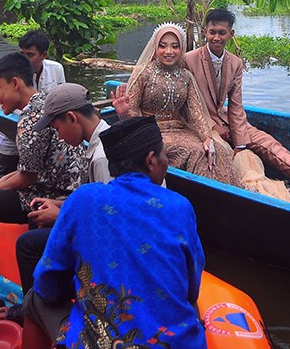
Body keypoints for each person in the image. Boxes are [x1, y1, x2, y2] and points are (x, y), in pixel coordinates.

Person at [22, 116, 207, 349]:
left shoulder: (83, 199)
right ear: (151, 161)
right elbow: (191, 289)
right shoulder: (180, 207)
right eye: (164, 156)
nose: (166, 163)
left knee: (33, 299)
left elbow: (47, 282)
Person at [0, 53, 85, 317]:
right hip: (42, 183)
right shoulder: (40, 104)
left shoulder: (33, 117)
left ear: (15, 83)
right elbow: (24, 172)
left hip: (49, 193)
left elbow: (27, 177)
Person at [183, 8, 290, 189]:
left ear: (231, 34)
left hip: (226, 119)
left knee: (267, 142)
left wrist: (240, 143)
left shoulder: (235, 63)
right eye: (212, 32)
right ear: (205, 32)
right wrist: (212, 127)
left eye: (222, 33)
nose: (216, 38)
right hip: (201, 124)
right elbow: (186, 104)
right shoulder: (189, 60)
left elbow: (235, 105)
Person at [11, 83, 112, 299]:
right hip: (101, 224)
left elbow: (110, 218)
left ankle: (37, 309)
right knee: (37, 220)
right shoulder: (100, 141)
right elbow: (97, 203)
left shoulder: (103, 158)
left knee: (27, 245)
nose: (60, 137)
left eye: (57, 129)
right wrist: (59, 204)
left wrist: (60, 216)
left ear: (72, 118)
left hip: (109, 241)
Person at [120, 22, 241, 187]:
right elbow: (132, 110)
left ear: (181, 48)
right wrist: (143, 135)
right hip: (152, 131)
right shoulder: (143, 73)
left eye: (175, 47)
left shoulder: (186, 76)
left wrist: (206, 137)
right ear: (155, 47)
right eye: (163, 46)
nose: (169, 52)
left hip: (180, 128)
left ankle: (230, 193)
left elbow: (195, 110)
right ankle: (205, 195)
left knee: (217, 149)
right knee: (196, 152)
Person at [0, 30, 65, 175]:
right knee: (8, 172)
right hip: (11, 139)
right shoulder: (10, 73)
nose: (25, 59)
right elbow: (4, 106)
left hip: (41, 138)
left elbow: (61, 99)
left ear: (44, 55)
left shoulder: (56, 69)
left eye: (30, 55)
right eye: (23, 54)